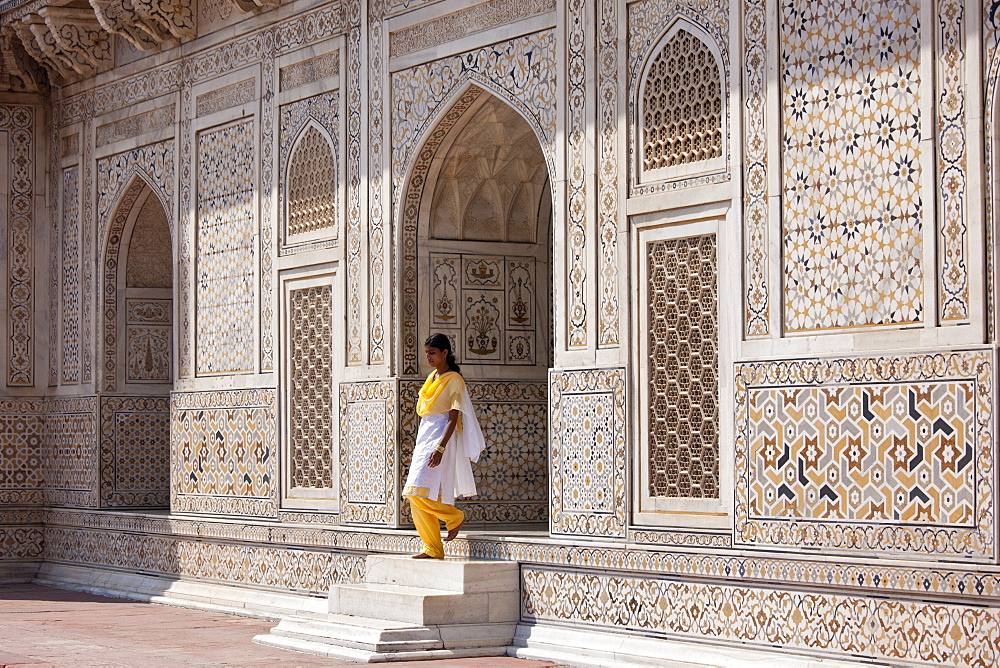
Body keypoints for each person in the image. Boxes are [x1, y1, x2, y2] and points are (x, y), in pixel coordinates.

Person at [402, 333, 485, 559]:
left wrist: (440, 448)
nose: (428, 357)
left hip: (440, 438)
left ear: (445, 353)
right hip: (425, 437)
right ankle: (433, 548)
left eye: (432, 353)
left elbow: (453, 417)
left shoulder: (454, 380)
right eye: (427, 352)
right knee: (415, 496)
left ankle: (453, 517)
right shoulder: (432, 378)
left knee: (416, 491)